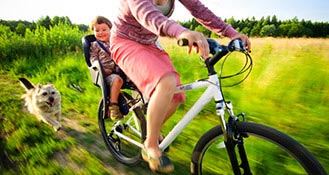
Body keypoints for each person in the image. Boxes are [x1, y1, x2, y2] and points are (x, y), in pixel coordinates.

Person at [109, 0, 251, 173]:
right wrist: (182, 32)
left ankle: (153, 129)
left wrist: (232, 33)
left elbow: (199, 10)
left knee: (176, 95)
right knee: (166, 81)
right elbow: (148, 16)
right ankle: (150, 145)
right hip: (125, 42)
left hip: (150, 44)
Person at [89, 16, 124, 120]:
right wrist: (102, 70)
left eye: (104, 30)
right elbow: (93, 60)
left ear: (110, 30)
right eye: (97, 30)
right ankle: (113, 107)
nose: (101, 33)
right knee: (117, 80)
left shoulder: (115, 42)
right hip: (106, 73)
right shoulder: (95, 45)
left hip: (120, 69)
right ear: (93, 31)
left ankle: (144, 99)